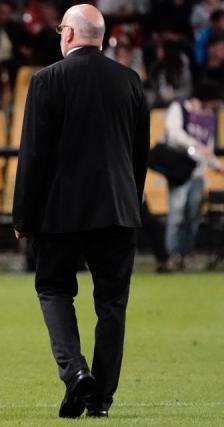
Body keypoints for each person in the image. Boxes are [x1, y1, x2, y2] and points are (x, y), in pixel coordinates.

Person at [12, 5, 149, 419]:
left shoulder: (47, 80)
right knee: (112, 305)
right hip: (118, 210)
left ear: (69, 34)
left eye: (60, 29)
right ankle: (101, 400)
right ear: (101, 37)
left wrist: (23, 215)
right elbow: (138, 155)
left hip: (60, 214)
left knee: (54, 289)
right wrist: (130, 201)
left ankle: (75, 374)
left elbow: (33, 155)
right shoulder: (129, 81)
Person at [163, 80, 224, 270]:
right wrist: (194, 145)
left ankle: (185, 254)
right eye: (214, 101)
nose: (216, 105)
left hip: (197, 173)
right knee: (176, 215)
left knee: (192, 216)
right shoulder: (180, 108)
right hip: (180, 172)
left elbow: (207, 148)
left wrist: (216, 164)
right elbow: (173, 134)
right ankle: (171, 256)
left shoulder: (210, 117)